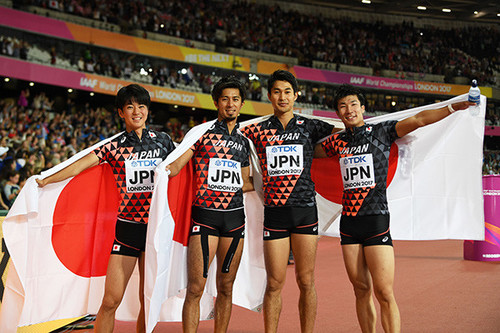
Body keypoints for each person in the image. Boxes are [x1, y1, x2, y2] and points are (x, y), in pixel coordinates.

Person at [316, 84, 474, 333]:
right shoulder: (337, 142)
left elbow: (419, 119)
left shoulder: (381, 132)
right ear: (338, 113)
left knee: (384, 291)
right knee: (361, 290)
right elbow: (307, 153)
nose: (349, 109)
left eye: (354, 104)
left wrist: (454, 106)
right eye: (343, 106)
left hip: (376, 220)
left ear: (363, 107)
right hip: (349, 224)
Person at [36, 84, 175, 333]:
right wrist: (47, 179)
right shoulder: (114, 146)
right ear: (121, 112)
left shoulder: (164, 142)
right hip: (128, 229)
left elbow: (181, 172)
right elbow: (79, 165)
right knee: (111, 300)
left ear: (148, 110)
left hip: (155, 229)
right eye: (130, 106)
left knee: (148, 299)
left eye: (141, 106)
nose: (136, 111)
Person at [241, 70, 337, 333]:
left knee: (306, 281)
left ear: (296, 95)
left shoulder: (312, 126)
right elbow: (227, 141)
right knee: (274, 283)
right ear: (269, 96)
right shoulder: (254, 130)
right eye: (276, 92)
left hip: (305, 212)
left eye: (287, 91)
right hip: (275, 215)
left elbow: (348, 135)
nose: (282, 97)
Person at [167, 76, 253, 333]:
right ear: (216, 102)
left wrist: (233, 184)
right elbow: (176, 166)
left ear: (241, 104)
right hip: (204, 219)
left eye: (235, 99)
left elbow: (247, 182)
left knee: (226, 287)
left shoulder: (244, 142)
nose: (230, 104)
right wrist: (161, 171)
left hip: (234, 221)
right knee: (195, 288)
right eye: (225, 99)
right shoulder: (201, 134)